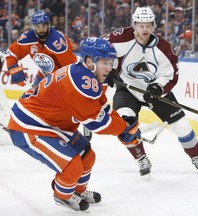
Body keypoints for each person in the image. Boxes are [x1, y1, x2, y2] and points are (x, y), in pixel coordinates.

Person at [6, 37, 141, 211]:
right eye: (105, 62)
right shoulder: (80, 82)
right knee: (72, 165)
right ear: (89, 61)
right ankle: (62, 195)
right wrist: (123, 129)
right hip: (28, 126)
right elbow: (96, 123)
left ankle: (77, 190)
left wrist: (122, 123)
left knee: (87, 156)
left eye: (111, 62)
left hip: (52, 124)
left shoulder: (86, 76)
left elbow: (102, 108)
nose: (109, 68)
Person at [104, 7, 198, 176]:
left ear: (153, 25)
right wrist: (108, 68)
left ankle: (196, 157)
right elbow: (100, 49)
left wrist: (157, 88)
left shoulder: (163, 48)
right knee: (126, 122)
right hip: (127, 89)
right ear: (134, 25)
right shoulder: (119, 38)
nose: (145, 29)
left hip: (154, 92)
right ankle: (141, 158)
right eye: (141, 25)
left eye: (148, 25)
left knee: (182, 125)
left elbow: (170, 75)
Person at [5, 10, 77, 87]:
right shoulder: (28, 39)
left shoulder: (57, 42)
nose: (41, 29)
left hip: (61, 77)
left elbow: (71, 67)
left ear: (49, 25)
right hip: (44, 74)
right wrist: (14, 70)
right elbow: (11, 54)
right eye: (38, 26)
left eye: (44, 25)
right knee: (31, 97)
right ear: (33, 27)